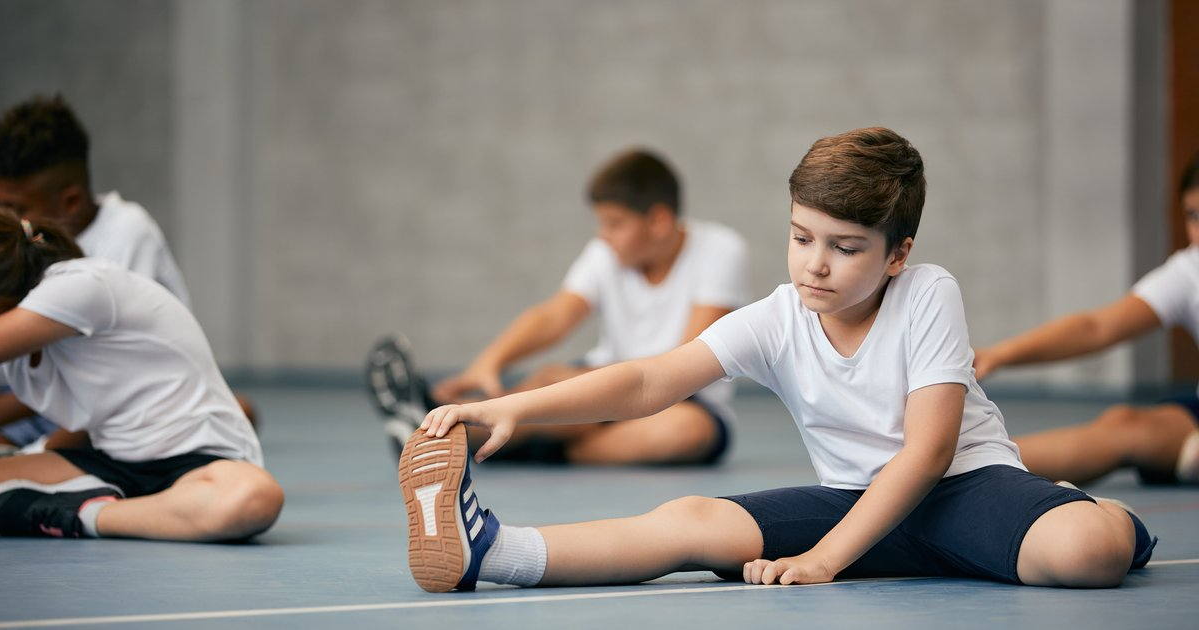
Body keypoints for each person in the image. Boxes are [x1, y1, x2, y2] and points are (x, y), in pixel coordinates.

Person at [399, 127, 1154, 593]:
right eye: (801, 238)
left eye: (846, 247)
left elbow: (927, 454)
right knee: (691, 522)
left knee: (1087, 552)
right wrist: (511, 407)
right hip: (853, 502)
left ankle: (1092, 510)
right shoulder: (779, 317)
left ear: (898, 254)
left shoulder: (928, 293)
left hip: (964, 491)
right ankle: (492, 551)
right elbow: (648, 380)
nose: (815, 264)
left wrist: (825, 559)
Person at [370, 148, 750, 465]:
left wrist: (601, 395)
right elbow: (555, 316)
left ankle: (491, 439)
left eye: (615, 223)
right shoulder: (606, 252)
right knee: (553, 381)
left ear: (659, 221)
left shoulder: (720, 249)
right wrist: (491, 360)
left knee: (683, 431)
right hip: (608, 380)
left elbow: (685, 357)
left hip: (682, 398)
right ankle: (442, 424)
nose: (604, 235)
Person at [0, 214, 282, 540]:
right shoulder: (22, 332)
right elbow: (94, 414)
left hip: (195, 462)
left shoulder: (79, 284)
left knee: (253, 498)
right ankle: (109, 508)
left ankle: (80, 515)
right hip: (110, 461)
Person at [0, 94, 254, 452]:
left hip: (101, 397)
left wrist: (38, 453)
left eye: (13, 207)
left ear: (71, 201)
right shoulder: (25, 246)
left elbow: (103, 380)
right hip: (42, 390)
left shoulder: (121, 239)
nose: (5, 217)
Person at [973, 153, 1199, 486]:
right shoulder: (1190, 270)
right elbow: (1096, 328)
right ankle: (968, 465)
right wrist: (999, 355)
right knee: (1124, 425)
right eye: (1193, 215)